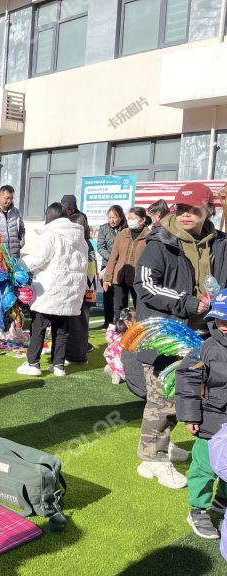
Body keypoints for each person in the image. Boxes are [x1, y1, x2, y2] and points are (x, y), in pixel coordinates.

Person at [133, 182, 227, 489]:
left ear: (208, 210)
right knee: (162, 398)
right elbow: (145, 285)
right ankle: (152, 459)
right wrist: (186, 302)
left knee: (189, 396)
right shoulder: (159, 242)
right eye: (181, 208)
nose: (186, 215)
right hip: (168, 331)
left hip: (207, 333)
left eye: (194, 209)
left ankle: (163, 446)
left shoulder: (220, 243)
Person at [176, 290, 227, 539]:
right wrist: (190, 416)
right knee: (204, 468)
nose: (224, 326)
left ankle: (221, 502)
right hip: (210, 421)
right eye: (220, 320)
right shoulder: (203, 349)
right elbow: (187, 380)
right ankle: (197, 509)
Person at [17, 203, 88, 378]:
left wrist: (18, 265)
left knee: (39, 326)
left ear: (50, 216)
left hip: (49, 289)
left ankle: (33, 363)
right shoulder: (80, 236)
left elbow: (40, 257)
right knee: (62, 329)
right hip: (70, 289)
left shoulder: (51, 233)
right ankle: (59, 365)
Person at [61, 194, 93, 364]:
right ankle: (80, 353)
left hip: (79, 288)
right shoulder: (87, 244)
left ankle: (75, 354)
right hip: (87, 288)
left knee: (75, 321)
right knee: (80, 321)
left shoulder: (79, 244)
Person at [102, 207, 150, 323]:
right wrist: (107, 277)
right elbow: (113, 257)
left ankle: (138, 333)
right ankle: (119, 333)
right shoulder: (122, 233)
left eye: (133, 218)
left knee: (140, 307)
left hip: (139, 279)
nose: (130, 221)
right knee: (119, 307)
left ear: (142, 219)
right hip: (120, 277)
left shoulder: (149, 236)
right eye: (129, 218)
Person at [97, 205, 127, 329]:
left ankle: (121, 323)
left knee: (122, 296)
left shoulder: (126, 229)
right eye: (109, 217)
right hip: (107, 266)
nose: (112, 220)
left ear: (121, 217)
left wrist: (120, 261)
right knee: (108, 295)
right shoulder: (103, 228)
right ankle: (107, 322)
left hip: (123, 267)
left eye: (114, 217)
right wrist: (112, 259)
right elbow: (100, 247)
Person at [103, 308, 134, 385]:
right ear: (128, 323)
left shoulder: (116, 331)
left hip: (112, 355)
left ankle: (111, 368)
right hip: (121, 356)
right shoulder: (130, 333)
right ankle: (119, 376)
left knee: (117, 362)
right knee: (127, 369)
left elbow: (109, 339)